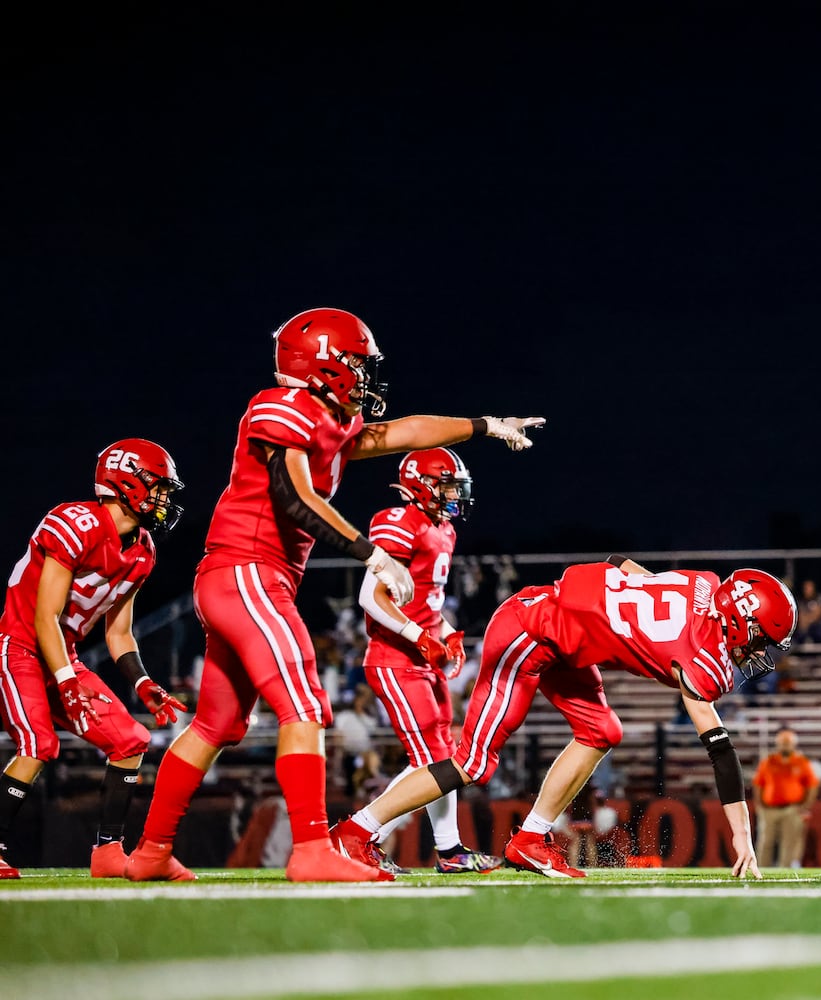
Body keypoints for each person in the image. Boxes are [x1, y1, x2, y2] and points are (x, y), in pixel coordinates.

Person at [125, 306, 544, 883]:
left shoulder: (327, 418)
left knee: (216, 725)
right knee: (305, 707)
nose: (365, 374)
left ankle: (150, 852)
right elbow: (294, 497)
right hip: (248, 570)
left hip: (246, 578)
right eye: (356, 362)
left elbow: (401, 432)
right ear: (323, 362)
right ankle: (312, 851)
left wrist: (484, 424)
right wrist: (367, 552)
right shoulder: (282, 407)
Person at [333, 557, 796, 878]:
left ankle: (530, 839)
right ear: (740, 619)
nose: (756, 653)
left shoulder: (704, 584)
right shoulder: (698, 659)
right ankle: (355, 831)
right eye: (760, 641)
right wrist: (743, 838)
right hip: (529, 631)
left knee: (602, 730)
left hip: (562, 638)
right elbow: (720, 752)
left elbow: (621, 564)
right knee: (472, 763)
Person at [0, 440, 190, 879]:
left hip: (61, 658)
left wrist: (143, 682)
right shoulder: (74, 522)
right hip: (21, 646)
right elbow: (44, 616)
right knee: (38, 744)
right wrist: (67, 680)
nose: (165, 498)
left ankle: (108, 852)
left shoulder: (142, 550)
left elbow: (118, 632)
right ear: (127, 481)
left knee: (130, 741)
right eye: (159, 486)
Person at [351, 447, 501, 875]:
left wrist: (445, 629)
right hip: (395, 658)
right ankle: (359, 834)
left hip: (423, 657)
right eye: (449, 486)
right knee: (434, 762)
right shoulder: (399, 522)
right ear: (424, 484)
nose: (456, 495)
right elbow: (370, 596)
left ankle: (449, 849)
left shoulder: (444, 530)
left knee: (443, 757)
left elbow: (426, 600)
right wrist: (420, 636)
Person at [753, 726, 820, 869]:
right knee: (765, 842)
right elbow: (758, 784)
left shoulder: (801, 762)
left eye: (787, 743)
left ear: (793, 744)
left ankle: (786, 872)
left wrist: (805, 806)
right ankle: (760, 870)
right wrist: (759, 804)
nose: (785, 746)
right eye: (783, 743)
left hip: (792, 808)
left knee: (789, 842)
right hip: (769, 809)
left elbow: (812, 786)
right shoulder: (768, 761)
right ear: (777, 744)